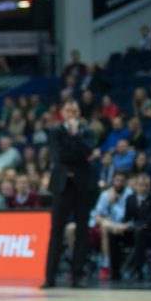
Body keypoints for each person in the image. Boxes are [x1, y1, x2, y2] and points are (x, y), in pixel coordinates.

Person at [41, 100, 99, 288]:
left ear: (80, 111)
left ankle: (77, 276)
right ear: (62, 112)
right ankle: (50, 277)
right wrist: (82, 154)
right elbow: (60, 155)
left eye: (75, 110)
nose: (72, 113)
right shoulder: (54, 131)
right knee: (56, 231)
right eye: (68, 110)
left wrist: (75, 136)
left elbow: (90, 150)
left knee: (82, 232)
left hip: (83, 186)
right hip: (62, 185)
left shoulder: (88, 131)